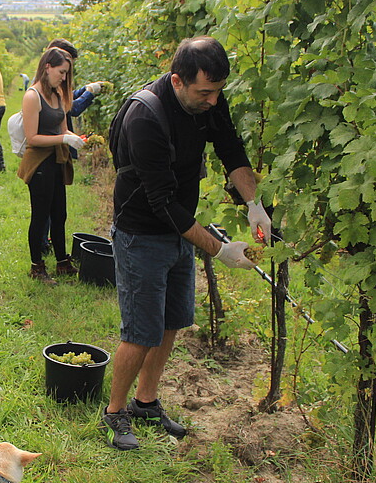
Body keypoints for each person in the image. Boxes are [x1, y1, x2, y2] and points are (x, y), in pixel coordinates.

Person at [101, 36, 271, 450]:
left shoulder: (209, 101)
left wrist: (254, 204)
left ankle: (146, 401)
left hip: (179, 232)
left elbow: (231, 149)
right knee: (140, 331)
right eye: (204, 93)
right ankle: (115, 411)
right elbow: (163, 205)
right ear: (177, 81)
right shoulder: (146, 116)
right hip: (142, 232)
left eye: (218, 92)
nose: (213, 101)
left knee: (171, 322)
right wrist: (219, 249)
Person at [16, 47, 85, 283]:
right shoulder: (32, 96)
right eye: (61, 72)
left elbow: (63, 128)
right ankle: (37, 267)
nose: (63, 78)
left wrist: (75, 138)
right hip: (40, 164)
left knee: (60, 214)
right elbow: (32, 137)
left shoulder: (57, 95)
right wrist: (64, 138)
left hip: (57, 161)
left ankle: (62, 262)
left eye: (66, 74)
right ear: (47, 67)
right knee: (40, 215)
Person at [40, 38, 111, 255]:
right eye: (65, 67)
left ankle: (49, 243)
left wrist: (85, 89)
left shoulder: (56, 77)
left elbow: (68, 99)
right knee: (47, 202)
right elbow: (72, 108)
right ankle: (43, 245)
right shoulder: (46, 86)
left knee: (54, 202)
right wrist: (89, 93)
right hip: (52, 147)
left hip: (60, 145)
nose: (66, 74)